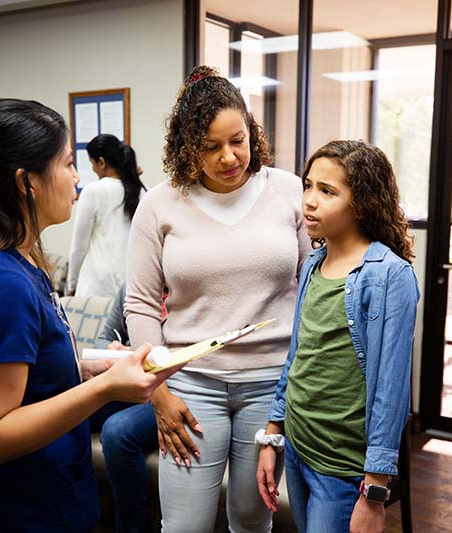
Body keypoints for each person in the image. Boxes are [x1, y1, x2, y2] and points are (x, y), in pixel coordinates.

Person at [0, 98, 179, 532]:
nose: (77, 177)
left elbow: (26, 377)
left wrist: (87, 369)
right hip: (15, 515)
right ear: (27, 182)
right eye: (65, 164)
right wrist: (105, 391)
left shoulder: (20, 265)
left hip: (49, 499)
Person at [121, 65, 310, 532]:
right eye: (211, 147)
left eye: (238, 139)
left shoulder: (288, 191)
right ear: (188, 147)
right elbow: (141, 304)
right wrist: (158, 393)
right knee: (184, 526)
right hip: (190, 385)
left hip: (270, 386)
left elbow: (312, 286)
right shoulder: (161, 204)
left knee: (251, 522)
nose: (230, 157)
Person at [255, 140, 419, 533]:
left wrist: (376, 489)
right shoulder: (313, 263)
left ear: (361, 202)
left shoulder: (389, 276)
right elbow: (298, 356)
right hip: (297, 448)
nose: (309, 201)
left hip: (342, 467)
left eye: (327, 191)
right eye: (308, 186)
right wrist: (274, 434)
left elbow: (391, 392)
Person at [89, 283, 158, 533]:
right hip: (127, 388)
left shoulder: (189, 282)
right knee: (70, 412)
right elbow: (104, 337)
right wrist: (112, 349)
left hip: (169, 393)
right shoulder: (131, 287)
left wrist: (140, 355)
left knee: (117, 431)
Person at [67, 134, 146, 297]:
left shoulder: (93, 191)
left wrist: (71, 285)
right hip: (132, 287)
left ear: (101, 162)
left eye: (92, 163)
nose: (93, 169)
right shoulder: (141, 191)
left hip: (97, 285)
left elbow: (78, 247)